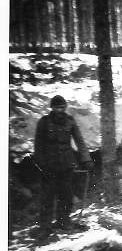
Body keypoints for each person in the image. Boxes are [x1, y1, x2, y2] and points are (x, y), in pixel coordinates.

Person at [34, 95, 94, 239]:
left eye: (62, 107)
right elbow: (38, 146)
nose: (59, 110)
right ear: (52, 108)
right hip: (49, 167)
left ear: (65, 107)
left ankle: (63, 221)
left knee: (66, 196)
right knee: (47, 198)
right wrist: (42, 165)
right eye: (56, 107)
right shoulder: (44, 122)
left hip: (66, 165)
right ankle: (45, 227)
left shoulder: (70, 121)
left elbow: (79, 141)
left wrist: (86, 159)